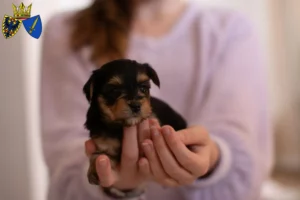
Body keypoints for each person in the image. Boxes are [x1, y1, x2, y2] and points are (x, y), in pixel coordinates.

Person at [40, 0, 273, 199]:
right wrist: (110, 183)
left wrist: (213, 160)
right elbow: (66, 165)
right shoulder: (67, 31)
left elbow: (243, 151)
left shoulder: (231, 29)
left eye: (143, 88)